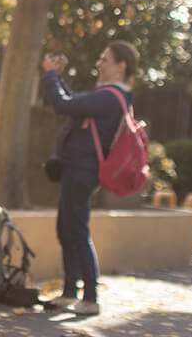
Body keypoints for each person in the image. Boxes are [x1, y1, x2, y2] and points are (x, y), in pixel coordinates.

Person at [39, 41, 140, 316]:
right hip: (78, 169)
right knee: (67, 228)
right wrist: (57, 77)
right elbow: (74, 104)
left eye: (104, 60)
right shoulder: (108, 96)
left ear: (121, 67)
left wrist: (49, 75)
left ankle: (91, 296)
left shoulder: (110, 97)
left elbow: (63, 104)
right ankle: (71, 291)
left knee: (77, 230)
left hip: (83, 171)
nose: (99, 64)